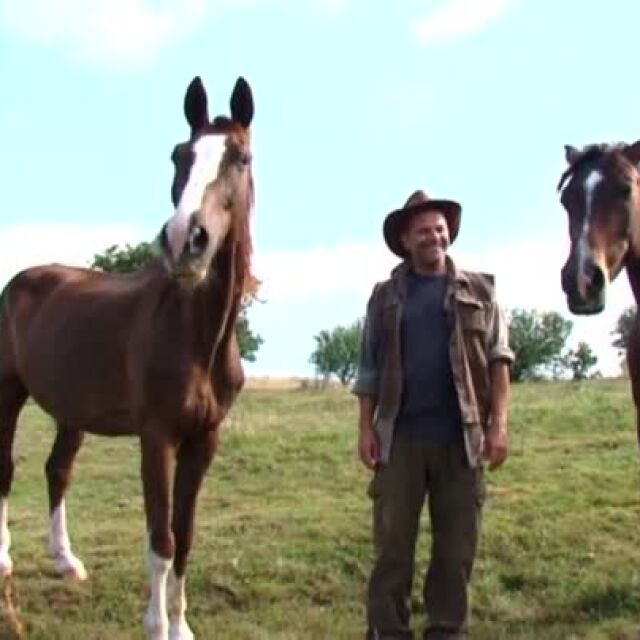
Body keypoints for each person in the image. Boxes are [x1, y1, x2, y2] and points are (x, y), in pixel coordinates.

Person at [353, 190, 514, 640]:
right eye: (423, 230)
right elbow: (367, 368)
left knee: (456, 548)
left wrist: (498, 426)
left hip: (462, 441)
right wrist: (365, 428)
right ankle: (387, 631)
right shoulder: (384, 297)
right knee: (391, 549)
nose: (434, 236)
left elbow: (501, 359)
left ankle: (446, 630)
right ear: (406, 240)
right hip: (399, 439)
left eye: (440, 228)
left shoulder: (482, 289)